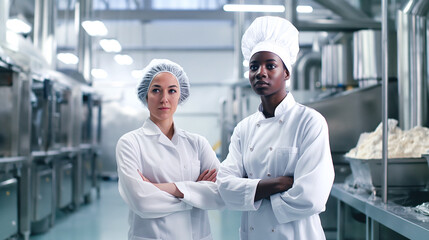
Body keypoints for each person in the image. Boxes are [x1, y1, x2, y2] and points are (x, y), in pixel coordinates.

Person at [217, 16, 335, 240]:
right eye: (254, 67)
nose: (260, 72)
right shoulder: (244, 129)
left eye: (270, 65)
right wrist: (279, 183)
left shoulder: (309, 122)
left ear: (287, 73)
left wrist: (251, 192)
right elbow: (225, 187)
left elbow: (312, 197)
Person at [116, 59, 224, 240]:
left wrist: (161, 189)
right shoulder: (130, 143)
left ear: (180, 95)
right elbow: (142, 201)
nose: (164, 98)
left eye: (172, 90)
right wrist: (194, 194)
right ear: (146, 95)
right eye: (156, 90)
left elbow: (221, 194)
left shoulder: (197, 143)